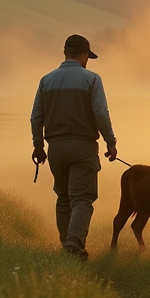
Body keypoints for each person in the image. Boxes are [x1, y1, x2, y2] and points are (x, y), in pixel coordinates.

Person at [31, 34, 118, 260]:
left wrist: (38, 146)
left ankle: (65, 244)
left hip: (55, 148)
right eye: (88, 56)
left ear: (65, 53)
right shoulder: (91, 79)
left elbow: (36, 117)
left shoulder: (46, 80)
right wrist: (111, 141)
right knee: (82, 198)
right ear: (84, 54)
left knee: (63, 197)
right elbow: (100, 112)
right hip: (83, 146)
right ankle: (73, 243)